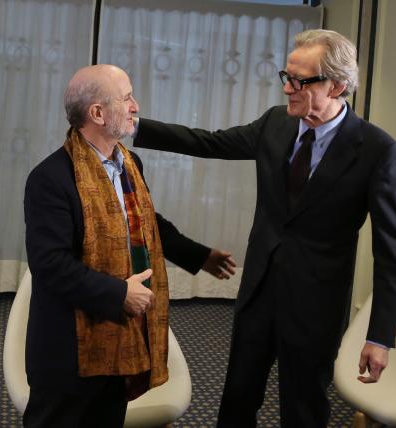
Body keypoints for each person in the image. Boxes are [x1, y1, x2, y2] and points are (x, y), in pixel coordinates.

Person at [133, 29, 396, 427]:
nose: (287, 89)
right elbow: (208, 143)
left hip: (316, 304)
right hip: (258, 292)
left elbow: (391, 253)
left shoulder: (378, 151)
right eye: (286, 76)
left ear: (339, 86)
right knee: (237, 400)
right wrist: (135, 127)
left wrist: (380, 336)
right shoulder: (275, 124)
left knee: (303, 408)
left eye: (300, 81)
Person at [23, 64, 237, 428]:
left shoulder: (129, 163)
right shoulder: (50, 178)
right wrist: (118, 292)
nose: (136, 105)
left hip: (122, 338)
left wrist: (200, 256)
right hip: (70, 350)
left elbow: (147, 225)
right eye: (126, 98)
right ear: (97, 113)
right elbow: (51, 266)